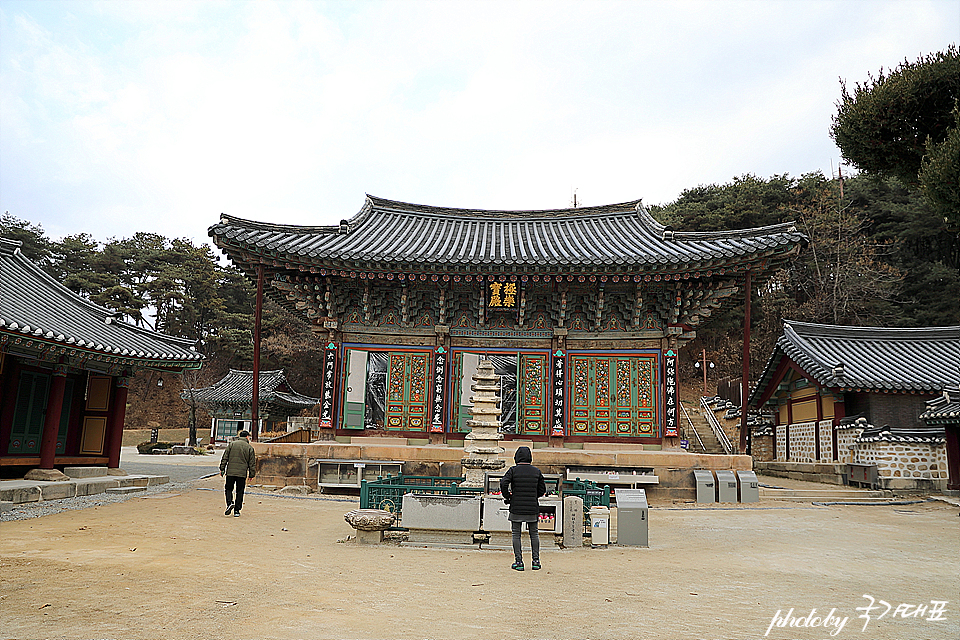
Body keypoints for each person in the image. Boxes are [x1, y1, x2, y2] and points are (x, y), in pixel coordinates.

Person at [499, 445, 546, 571]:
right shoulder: (536, 471)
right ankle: (536, 561)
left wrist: (508, 496)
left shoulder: (513, 470)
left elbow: (503, 482)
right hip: (532, 506)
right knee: (534, 533)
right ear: (530, 457)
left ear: (516, 457)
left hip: (516, 505)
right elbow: (542, 490)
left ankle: (519, 562)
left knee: (516, 534)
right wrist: (534, 495)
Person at [220, 430, 256, 518]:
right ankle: (237, 510)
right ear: (247, 437)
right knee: (240, 491)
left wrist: (222, 468)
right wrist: (251, 474)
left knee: (228, 488)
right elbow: (252, 463)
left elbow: (225, 457)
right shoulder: (249, 448)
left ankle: (229, 503)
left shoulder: (232, 444)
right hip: (242, 473)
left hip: (231, 472)